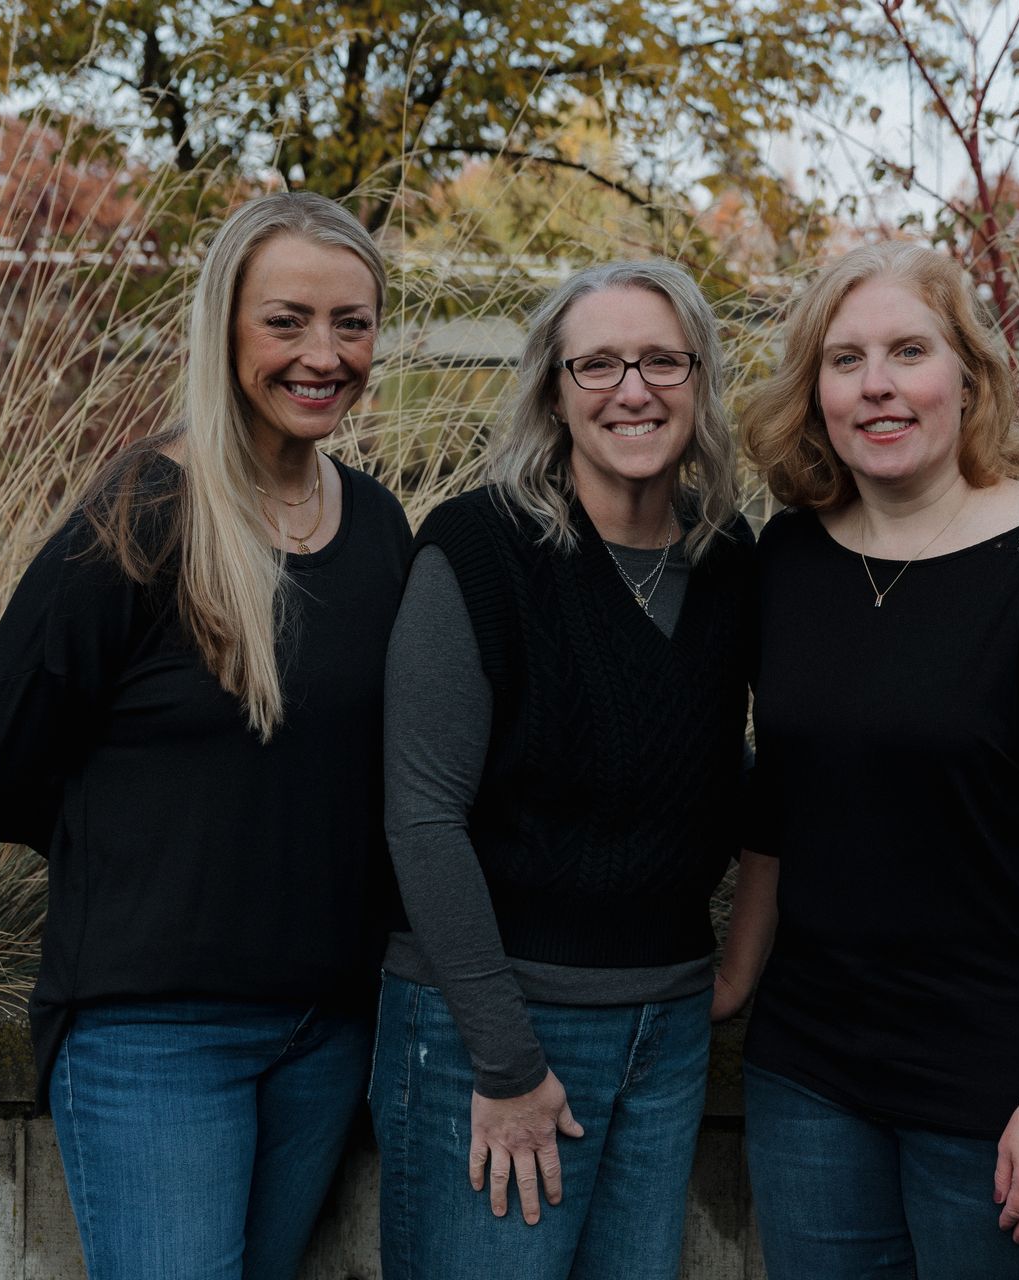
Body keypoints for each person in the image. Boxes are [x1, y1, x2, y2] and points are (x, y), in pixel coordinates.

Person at [0, 192, 411, 1279]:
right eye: (287, 321)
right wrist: (140, 849)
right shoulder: (138, 515)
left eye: (352, 324)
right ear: (225, 328)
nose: (324, 355)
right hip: (156, 1035)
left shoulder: (381, 526)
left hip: (328, 1028)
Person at [720, 240, 1019, 1280]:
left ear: (969, 374)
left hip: (1001, 1096)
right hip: (811, 1078)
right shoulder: (789, 557)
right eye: (846, 359)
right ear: (815, 391)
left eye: (909, 351)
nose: (877, 384)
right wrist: (733, 976)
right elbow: (779, 797)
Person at [371, 259, 756, 1280]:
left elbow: (737, 768)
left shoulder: (729, 557)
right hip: (494, 1031)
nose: (634, 390)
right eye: (599, 364)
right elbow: (422, 817)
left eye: (663, 361)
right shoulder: (477, 549)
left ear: (701, 381)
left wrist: (736, 964)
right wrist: (506, 1059)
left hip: (667, 1032)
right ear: (554, 389)